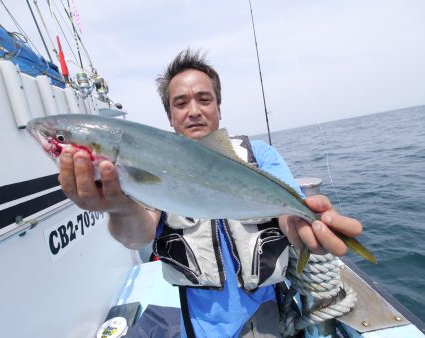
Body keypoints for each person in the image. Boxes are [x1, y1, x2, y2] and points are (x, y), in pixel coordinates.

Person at [58, 49, 362, 338]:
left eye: (204, 99)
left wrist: (302, 226)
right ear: (169, 116)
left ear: (218, 106)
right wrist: (120, 208)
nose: (194, 111)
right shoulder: (154, 165)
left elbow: (287, 215)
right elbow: (137, 236)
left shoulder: (259, 156)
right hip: (201, 326)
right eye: (180, 103)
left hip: (266, 317)